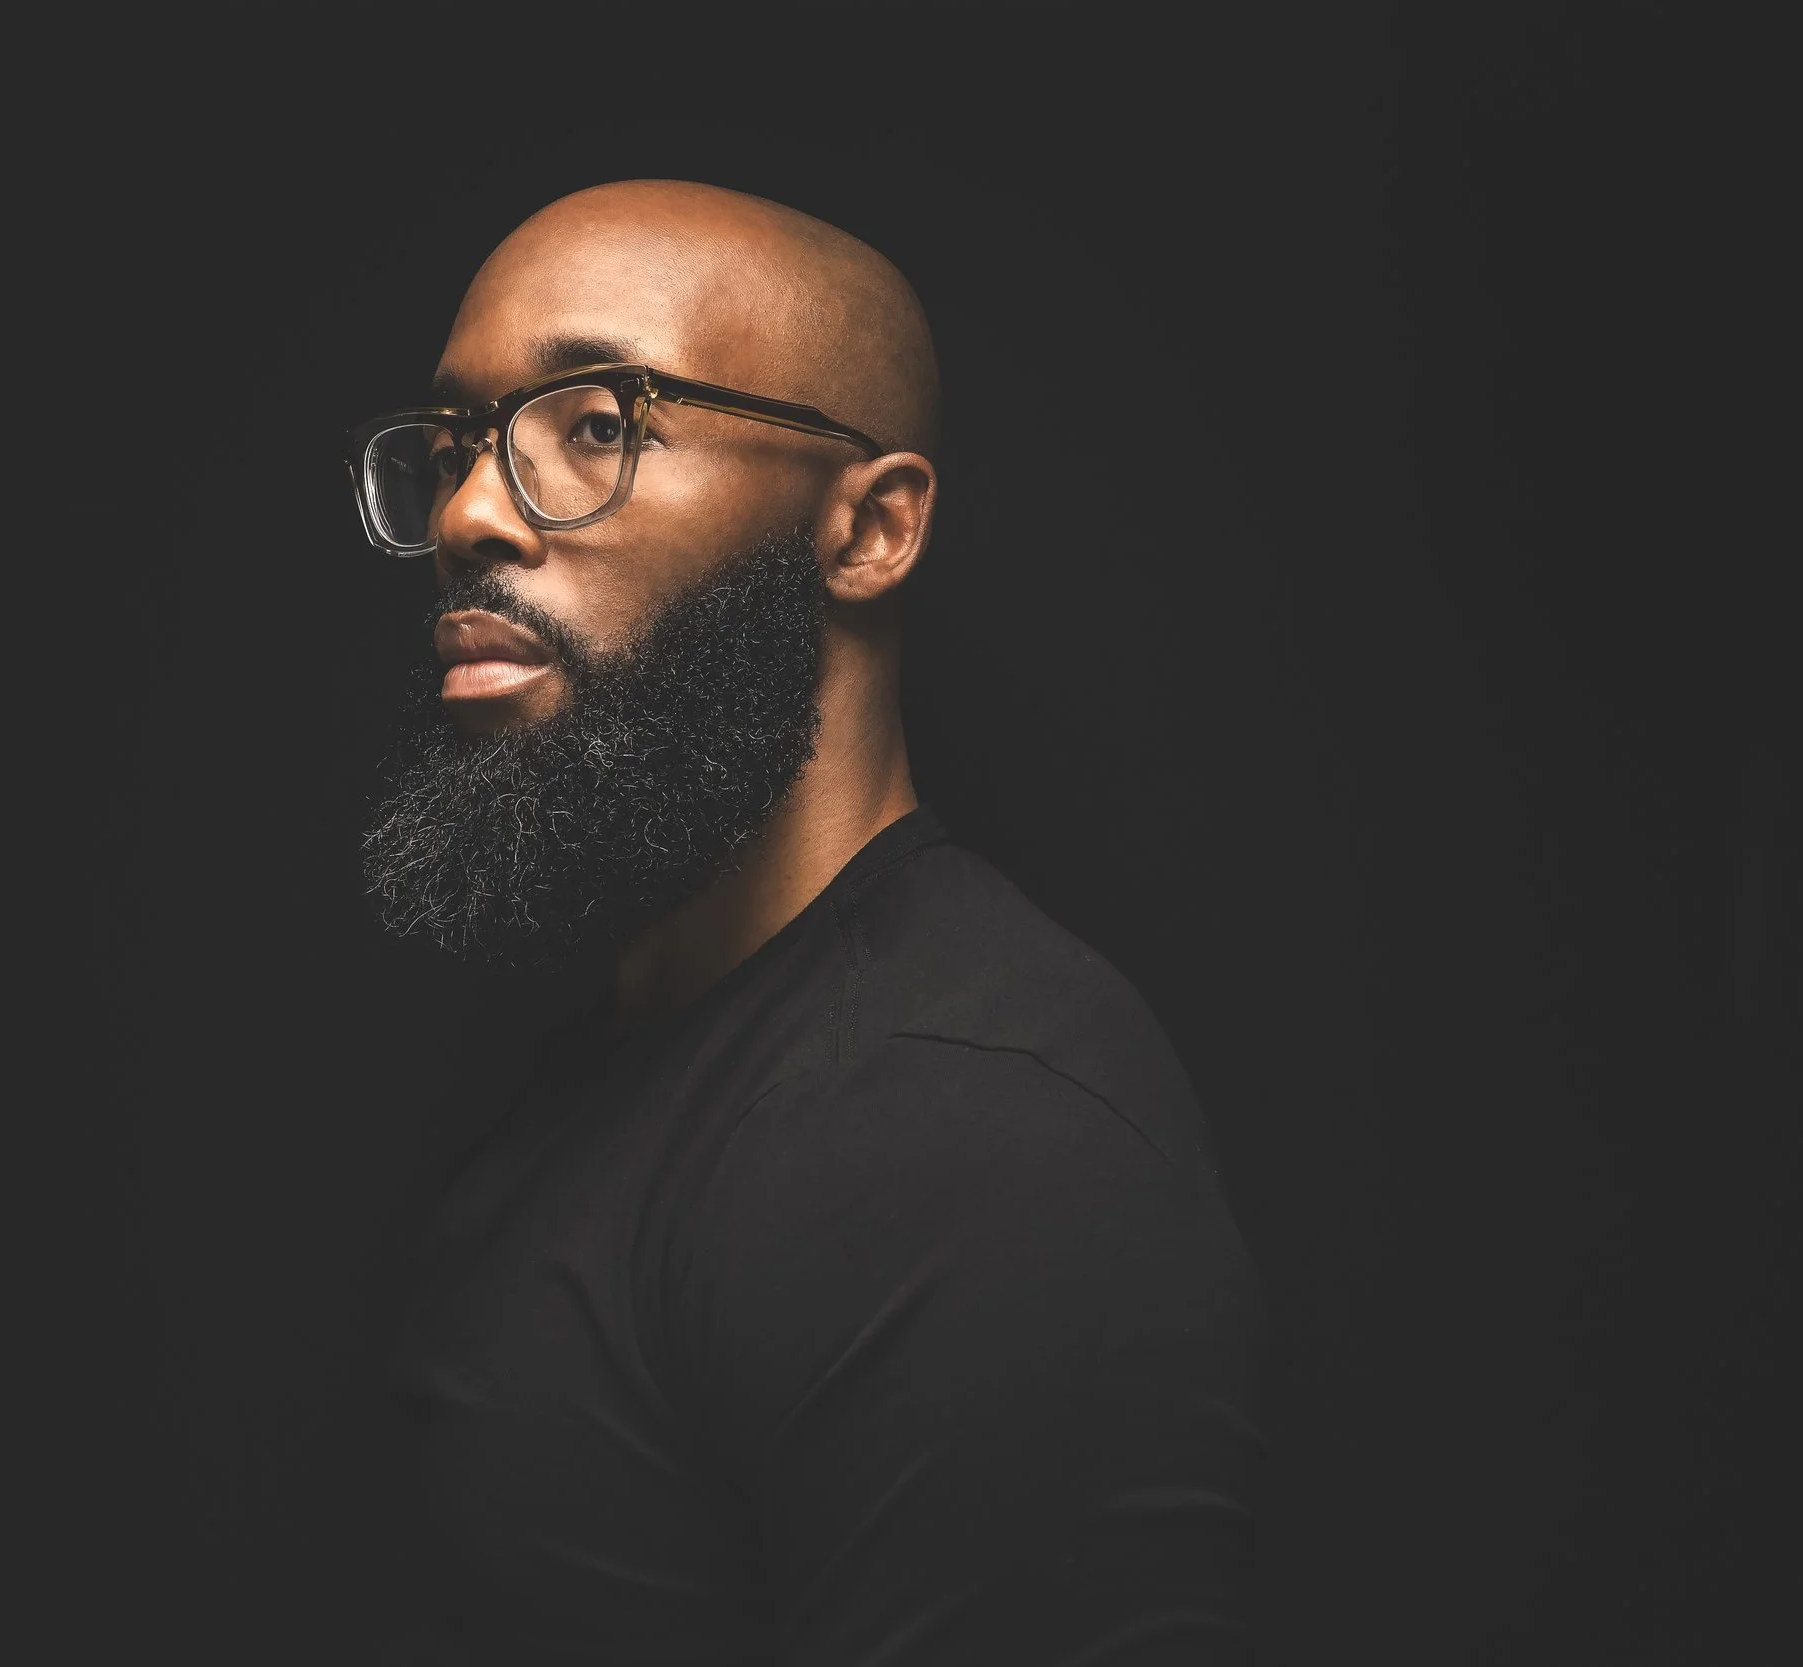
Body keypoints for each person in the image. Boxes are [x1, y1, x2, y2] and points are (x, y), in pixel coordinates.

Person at [351, 179, 1263, 1665]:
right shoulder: (638, 1062)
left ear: (872, 528)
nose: (464, 514)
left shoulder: (962, 1134)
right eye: (458, 442)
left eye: (596, 423)